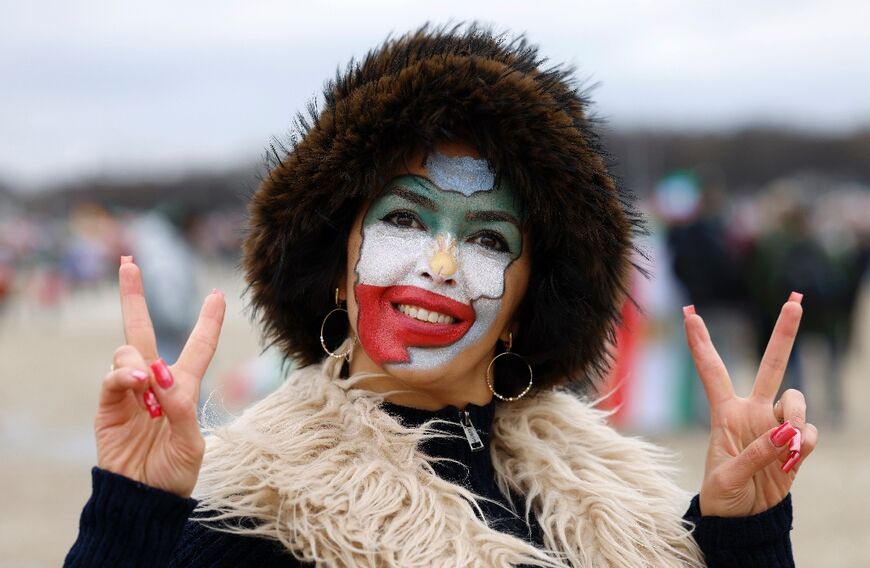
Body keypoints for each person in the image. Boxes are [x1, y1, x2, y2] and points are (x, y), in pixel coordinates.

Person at [65, 25, 817, 567]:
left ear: (528, 303)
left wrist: (741, 533)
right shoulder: (256, 520)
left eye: (489, 239)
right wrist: (131, 512)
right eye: (403, 219)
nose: (444, 261)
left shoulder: (624, 517)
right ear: (338, 261)